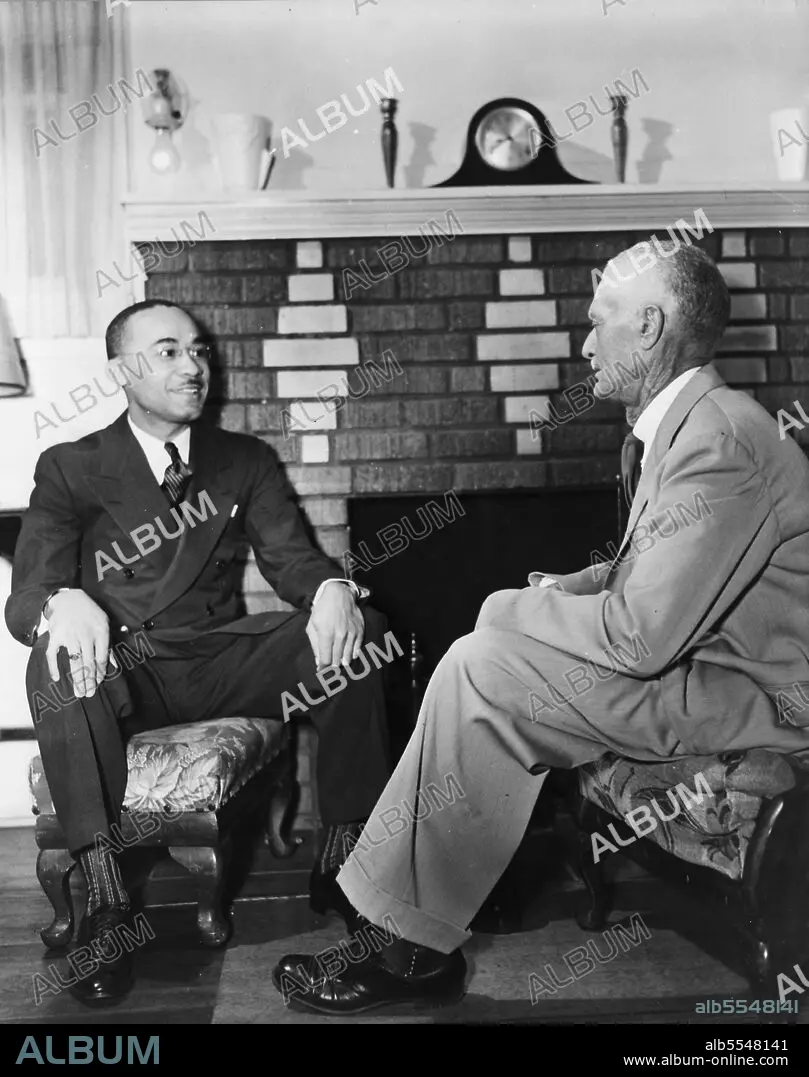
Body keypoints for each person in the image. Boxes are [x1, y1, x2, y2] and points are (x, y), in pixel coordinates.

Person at [273, 239, 809, 1015]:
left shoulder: (716, 439)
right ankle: (404, 934)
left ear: (650, 327)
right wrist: (560, 589)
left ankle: (403, 946)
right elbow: (651, 579)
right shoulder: (694, 422)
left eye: (599, 322)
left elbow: (640, 636)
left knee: (483, 660)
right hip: (712, 670)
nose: (584, 343)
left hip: (752, 696)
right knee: (482, 661)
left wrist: (506, 607)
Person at [6, 300, 391, 1006]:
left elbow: (291, 560)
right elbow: (25, 595)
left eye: (197, 351)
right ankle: (105, 899)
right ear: (123, 370)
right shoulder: (72, 466)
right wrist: (65, 602)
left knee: (355, 635)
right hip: (125, 667)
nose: (192, 366)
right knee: (54, 658)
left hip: (218, 660)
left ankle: (345, 862)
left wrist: (334, 586)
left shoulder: (244, 460)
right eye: (169, 351)